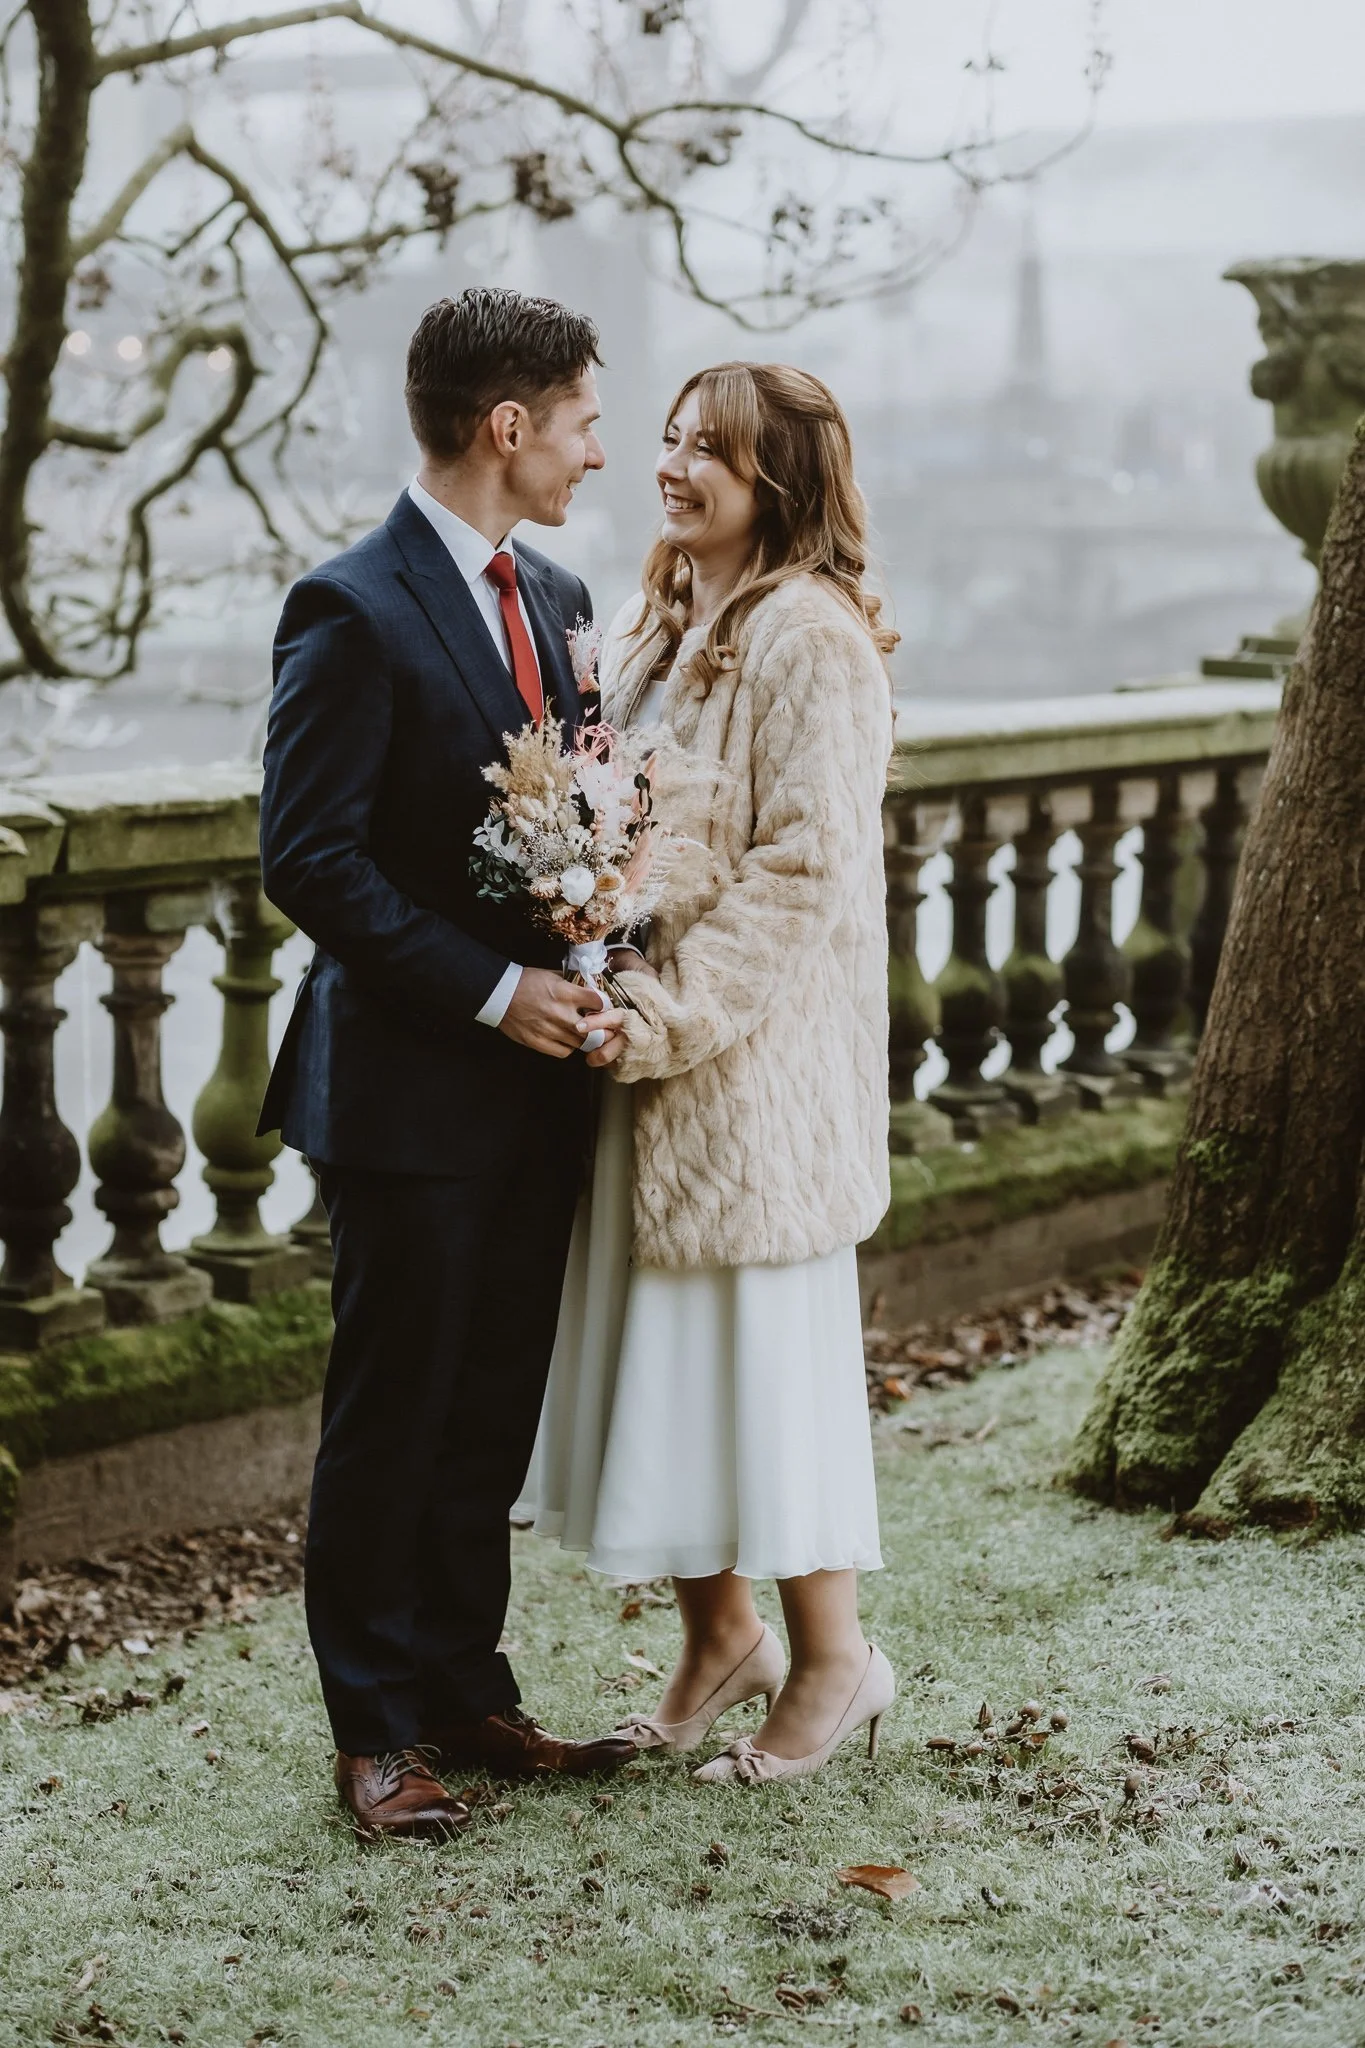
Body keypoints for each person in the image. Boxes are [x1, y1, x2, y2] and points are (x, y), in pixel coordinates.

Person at [257, 287, 637, 1842]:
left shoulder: (555, 595)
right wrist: (495, 995)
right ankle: (371, 1731)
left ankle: (468, 1695)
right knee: (392, 1409)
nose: (597, 454)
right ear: (508, 428)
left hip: (537, 1089)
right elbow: (311, 860)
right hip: (408, 1094)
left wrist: (598, 970)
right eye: (586, 423)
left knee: (489, 1405)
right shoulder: (348, 606)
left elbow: (581, 830)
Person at [521, 360, 898, 1785]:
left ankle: (834, 1663)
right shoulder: (653, 621)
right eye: (671, 442)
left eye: (712, 455)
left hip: (750, 1078)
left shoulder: (814, 639)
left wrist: (672, 1013)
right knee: (667, 1370)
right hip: (643, 1060)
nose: (673, 469)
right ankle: (718, 1637)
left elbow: (804, 874)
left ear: (780, 481)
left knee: (764, 1368)